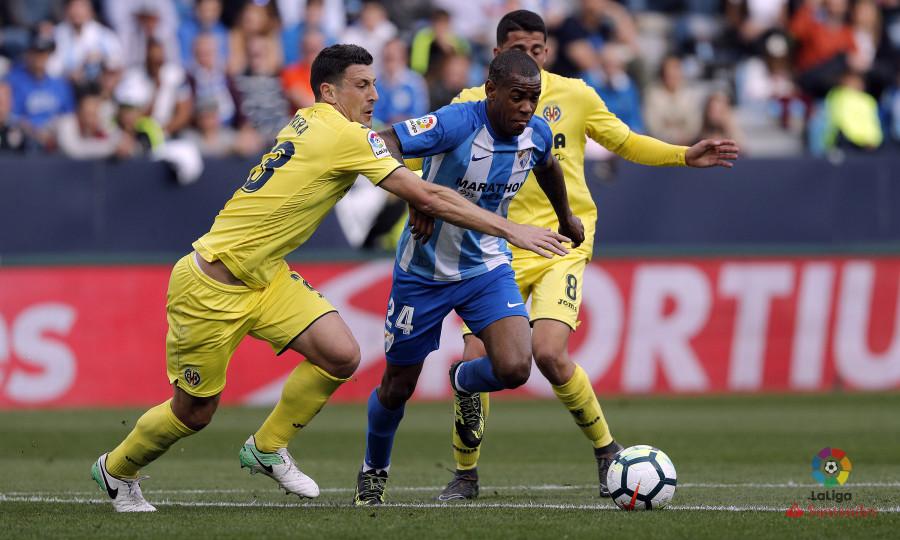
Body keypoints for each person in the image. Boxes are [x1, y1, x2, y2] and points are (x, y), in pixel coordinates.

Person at [89, 43, 571, 513]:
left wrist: (417, 195)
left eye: (374, 84)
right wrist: (510, 228)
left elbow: (408, 175)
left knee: (341, 355)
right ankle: (117, 470)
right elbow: (427, 192)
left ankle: (267, 446)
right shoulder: (345, 136)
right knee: (194, 412)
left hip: (265, 277)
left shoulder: (309, 120)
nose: (374, 95)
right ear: (329, 91)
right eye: (361, 85)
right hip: (212, 285)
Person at [436, 10, 739, 502]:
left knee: (549, 353)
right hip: (494, 246)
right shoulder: (470, 103)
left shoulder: (574, 96)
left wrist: (683, 154)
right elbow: (430, 155)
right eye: (518, 50)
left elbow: (624, 141)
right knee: (476, 360)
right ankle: (465, 474)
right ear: (496, 56)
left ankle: (606, 451)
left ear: (548, 51)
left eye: (537, 49)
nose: (530, 58)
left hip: (561, 242)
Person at [352, 49, 584, 506]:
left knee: (515, 367)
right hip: (424, 271)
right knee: (398, 386)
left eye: (534, 98)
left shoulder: (535, 132)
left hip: (485, 267)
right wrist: (415, 194)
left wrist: (565, 216)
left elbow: (548, 166)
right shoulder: (455, 123)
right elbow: (383, 141)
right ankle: (373, 471)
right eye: (517, 97)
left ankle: (464, 380)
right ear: (491, 90)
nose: (526, 108)